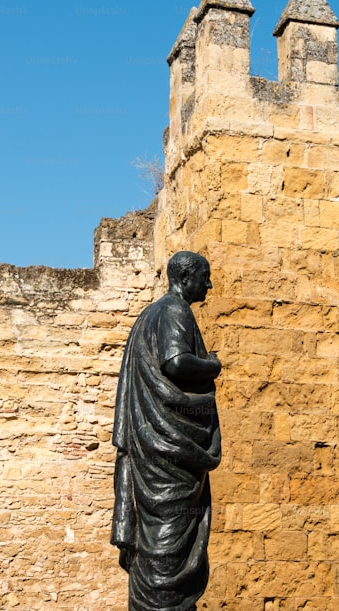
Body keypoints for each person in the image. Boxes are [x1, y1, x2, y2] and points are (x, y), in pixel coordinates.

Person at [111, 251, 222, 610]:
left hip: (156, 448)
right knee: (166, 547)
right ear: (185, 278)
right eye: (204, 276)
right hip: (168, 453)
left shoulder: (148, 316)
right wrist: (212, 365)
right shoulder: (174, 310)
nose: (208, 284)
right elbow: (175, 363)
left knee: (158, 541)